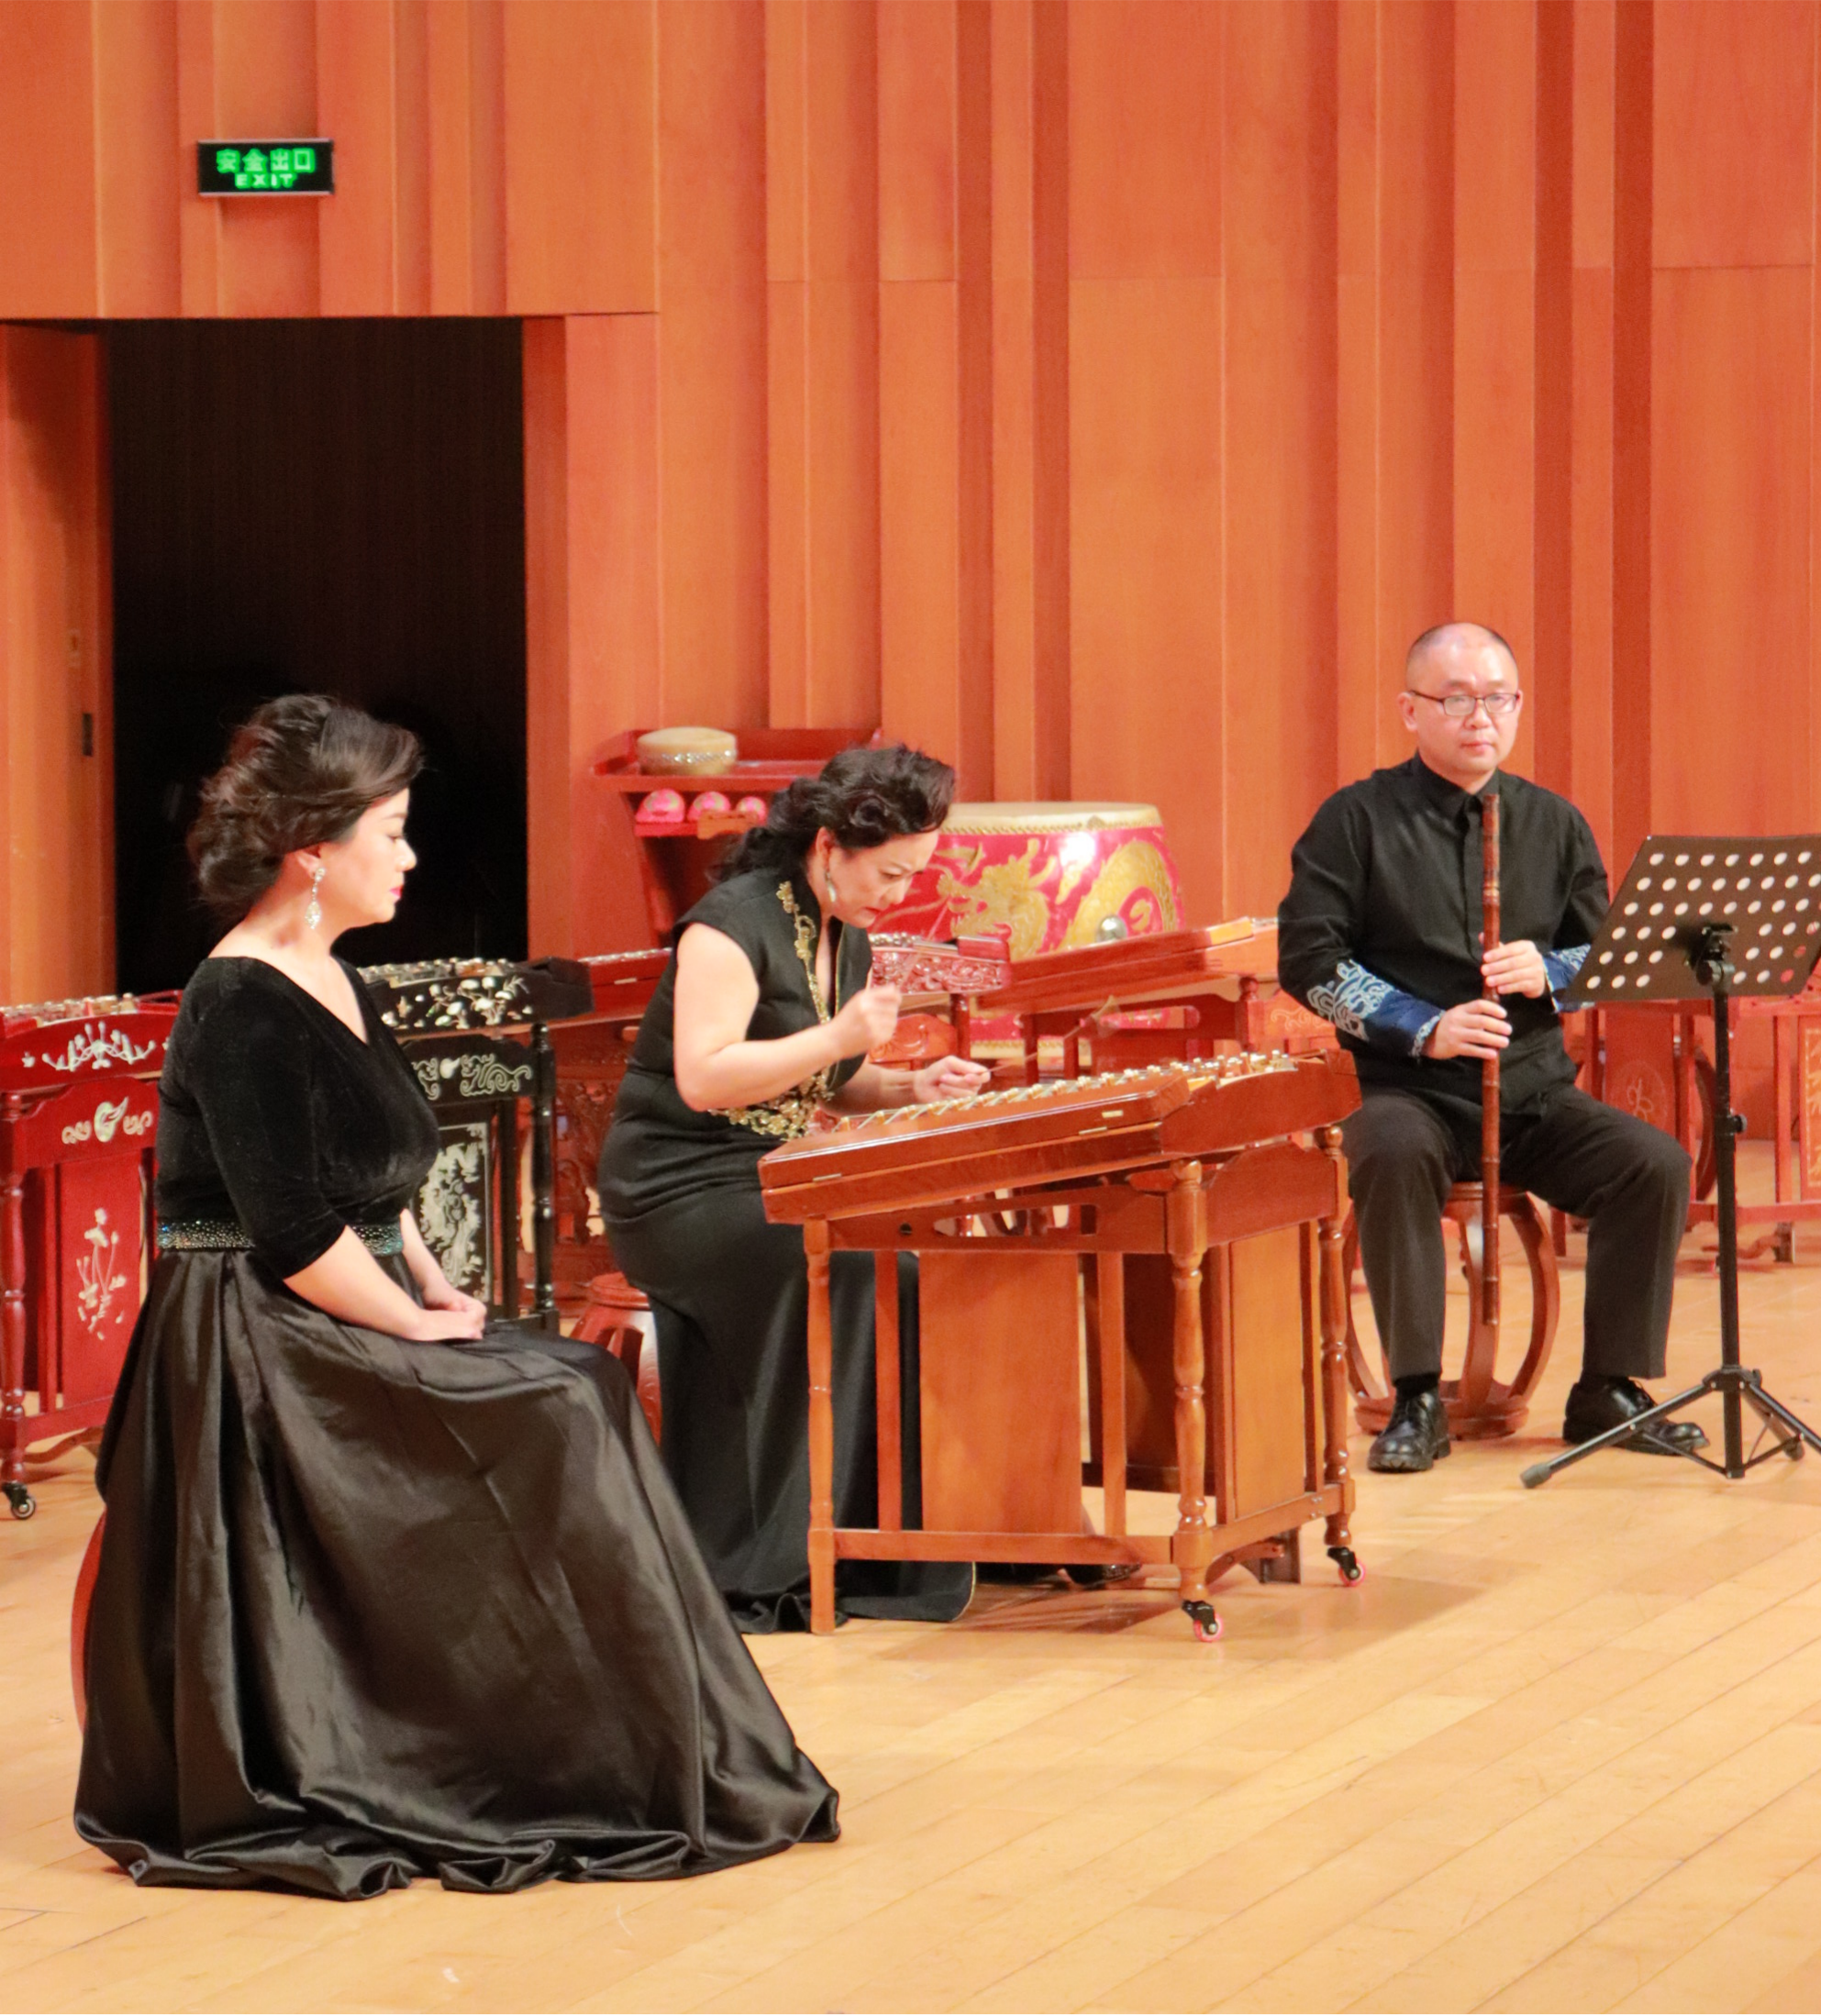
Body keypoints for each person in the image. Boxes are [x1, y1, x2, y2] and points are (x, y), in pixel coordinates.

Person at [75, 695, 838, 1899]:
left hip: (342, 1303)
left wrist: (441, 1288)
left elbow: (381, 1186)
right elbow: (293, 1230)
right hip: (257, 1335)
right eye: (390, 833)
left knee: (578, 1378)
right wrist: (416, 1321)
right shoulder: (238, 999)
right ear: (312, 849)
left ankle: (618, 1743)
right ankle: (533, 1746)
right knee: (561, 1402)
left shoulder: (335, 976)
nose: (411, 857)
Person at [1278, 623, 1704, 1474]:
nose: (1481, 717)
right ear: (1410, 710)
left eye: (1498, 698)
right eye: (1456, 699)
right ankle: (1415, 1396)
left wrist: (1548, 969)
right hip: (1405, 1090)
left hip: (1531, 1091)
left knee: (1650, 1164)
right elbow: (1308, 959)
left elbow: (1604, 956)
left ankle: (1606, 1387)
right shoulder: (1353, 820)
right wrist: (1423, 1026)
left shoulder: (1553, 821)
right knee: (1391, 1153)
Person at [602, 746, 988, 1632]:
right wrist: (839, 1037)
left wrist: (909, 1085)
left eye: (913, 875)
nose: (900, 895)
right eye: (889, 873)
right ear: (827, 848)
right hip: (677, 1187)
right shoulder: (729, 923)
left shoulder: (840, 927)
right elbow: (706, 1077)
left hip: (766, 1173)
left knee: (905, 1267)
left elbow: (826, 1082)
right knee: (847, 1269)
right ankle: (775, 1555)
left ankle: (878, 1546)